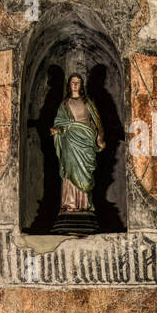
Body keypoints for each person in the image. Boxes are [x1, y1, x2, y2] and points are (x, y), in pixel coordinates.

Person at [49, 75, 105, 212]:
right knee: (70, 171)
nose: (75, 85)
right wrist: (57, 130)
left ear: (82, 85)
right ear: (69, 85)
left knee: (85, 173)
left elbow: (97, 123)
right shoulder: (64, 104)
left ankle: (84, 204)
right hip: (70, 142)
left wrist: (99, 139)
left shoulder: (88, 103)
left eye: (78, 82)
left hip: (86, 141)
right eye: (72, 82)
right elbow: (60, 123)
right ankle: (70, 203)